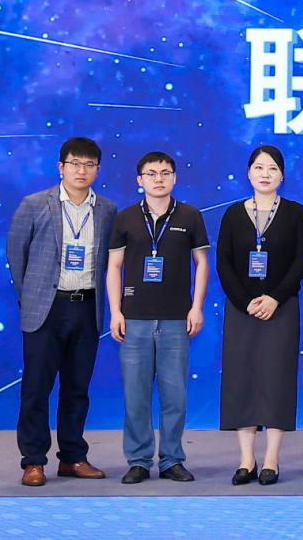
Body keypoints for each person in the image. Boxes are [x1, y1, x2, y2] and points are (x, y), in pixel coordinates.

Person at [7, 137, 117, 487]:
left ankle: (72, 457)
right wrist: (30, 297)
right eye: (75, 163)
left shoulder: (107, 210)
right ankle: (33, 461)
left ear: (97, 169)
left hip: (86, 307)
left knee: (77, 388)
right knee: (36, 387)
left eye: (89, 164)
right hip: (45, 308)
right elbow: (16, 255)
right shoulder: (34, 204)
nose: (81, 171)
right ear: (61, 167)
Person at [106, 151, 210, 484]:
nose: (159, 179)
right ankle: (138, 460)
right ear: (140, 180)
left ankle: (171, 460)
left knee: (174, 396)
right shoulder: (125, 218)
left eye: (165, 173)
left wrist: (196, 307)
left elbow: (202, 264)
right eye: (151, 173)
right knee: (135, 396)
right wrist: (115, 311)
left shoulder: (190, 216)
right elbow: (114, 267)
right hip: (134, 318)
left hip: (176, 319)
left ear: (174, 178)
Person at [216, 145, 303, 486]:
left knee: (276, 379)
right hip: (241, 310)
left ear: (282, 175)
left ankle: (271, 459)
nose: (265, 174)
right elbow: (223, 263)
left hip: (281, 309)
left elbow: (300, 262)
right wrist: (246, 302)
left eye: (272, 168)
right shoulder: (232, 214)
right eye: (259, 167)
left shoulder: (295, 213)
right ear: (248, 173)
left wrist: (274, 298)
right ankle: (246, 460)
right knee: (241, 379)